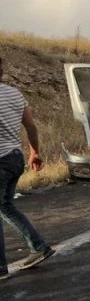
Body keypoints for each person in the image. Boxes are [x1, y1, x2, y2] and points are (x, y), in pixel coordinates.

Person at [0, 56, 55, 281]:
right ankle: (38, 246)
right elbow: (31, 127)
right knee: (5, 206)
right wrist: (34, 152)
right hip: (15, 158)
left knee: (3, 207)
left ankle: (1, 267)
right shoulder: (14, 94)